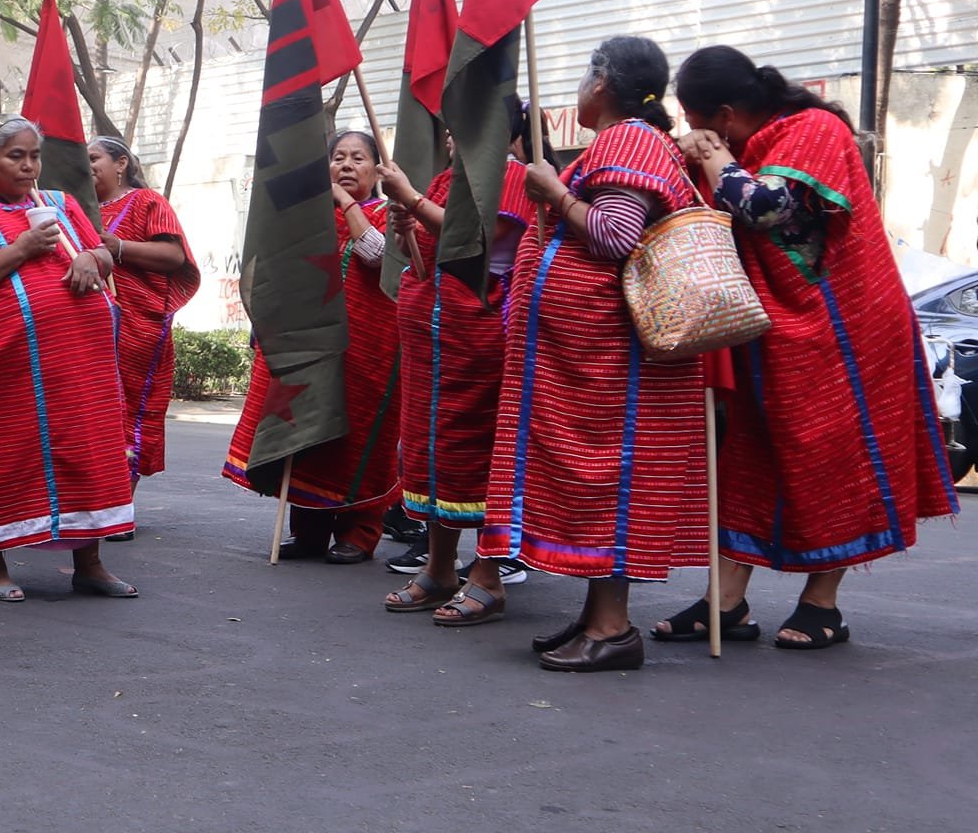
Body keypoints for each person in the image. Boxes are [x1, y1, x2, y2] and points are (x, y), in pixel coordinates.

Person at [658, 46, 959, 648]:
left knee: (836, 459)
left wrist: (715, 157)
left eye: (697, 121)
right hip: (766, 334)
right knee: (747, 458)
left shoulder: (812, 130)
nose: (694, 133)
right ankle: (726, 604)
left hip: (848, 332)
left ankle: (822, 605)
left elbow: (765, 208)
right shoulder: (743, 144)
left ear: (722, 111)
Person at [481, 36, 708, 673]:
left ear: (603, 81)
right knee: (588, 483)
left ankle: (613, 628)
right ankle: (594, 618)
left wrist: (553, 193)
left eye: (584, 72)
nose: (577, 86)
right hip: (583, 362)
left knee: (605, 481)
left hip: (612, 368)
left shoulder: (629, 138)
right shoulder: (627, 141)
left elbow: (613, 235)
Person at [0, 115, 136, 601]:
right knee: (3, 460)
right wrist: (22, 248)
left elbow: (104, 254)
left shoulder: (61, 204)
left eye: (34, 156)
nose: (29, 167)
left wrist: (93, 258)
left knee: (86, 456)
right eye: (15, 156)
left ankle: (90, 563)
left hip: (79, 370)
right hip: (3, 372)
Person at [376, 104, 530, 623]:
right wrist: (406, 227)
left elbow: (475, 237)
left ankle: (487, 576)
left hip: (480, 347)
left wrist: (413, 201)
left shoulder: (512, 177)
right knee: (431, 450)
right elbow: (425, 248)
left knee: (481, 453)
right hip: (430, 350)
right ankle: (440, 568)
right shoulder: (446, 182)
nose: (450, 136)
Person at [222, 130, 401, 563]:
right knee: (306, 433)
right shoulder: (309, 218)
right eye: (337, 157)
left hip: (368, 349)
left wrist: (345, 203)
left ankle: (360, 532)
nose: (345, 165)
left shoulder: (390, 214)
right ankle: (310, 531)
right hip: (309, 345)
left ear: (376, 168)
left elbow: (376, 255)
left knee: (358, 437)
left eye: (358, 158)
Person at [89, 135, 201, 487]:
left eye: (94, 158)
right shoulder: (75, 208)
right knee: (90, 415)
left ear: (121, 163)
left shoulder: (147, 201)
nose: (86, 166)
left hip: (137, 329)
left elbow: (174, 257)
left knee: (128, 411)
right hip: (87, 329)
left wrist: (118, 247)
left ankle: (121, 498)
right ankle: (91, 502)